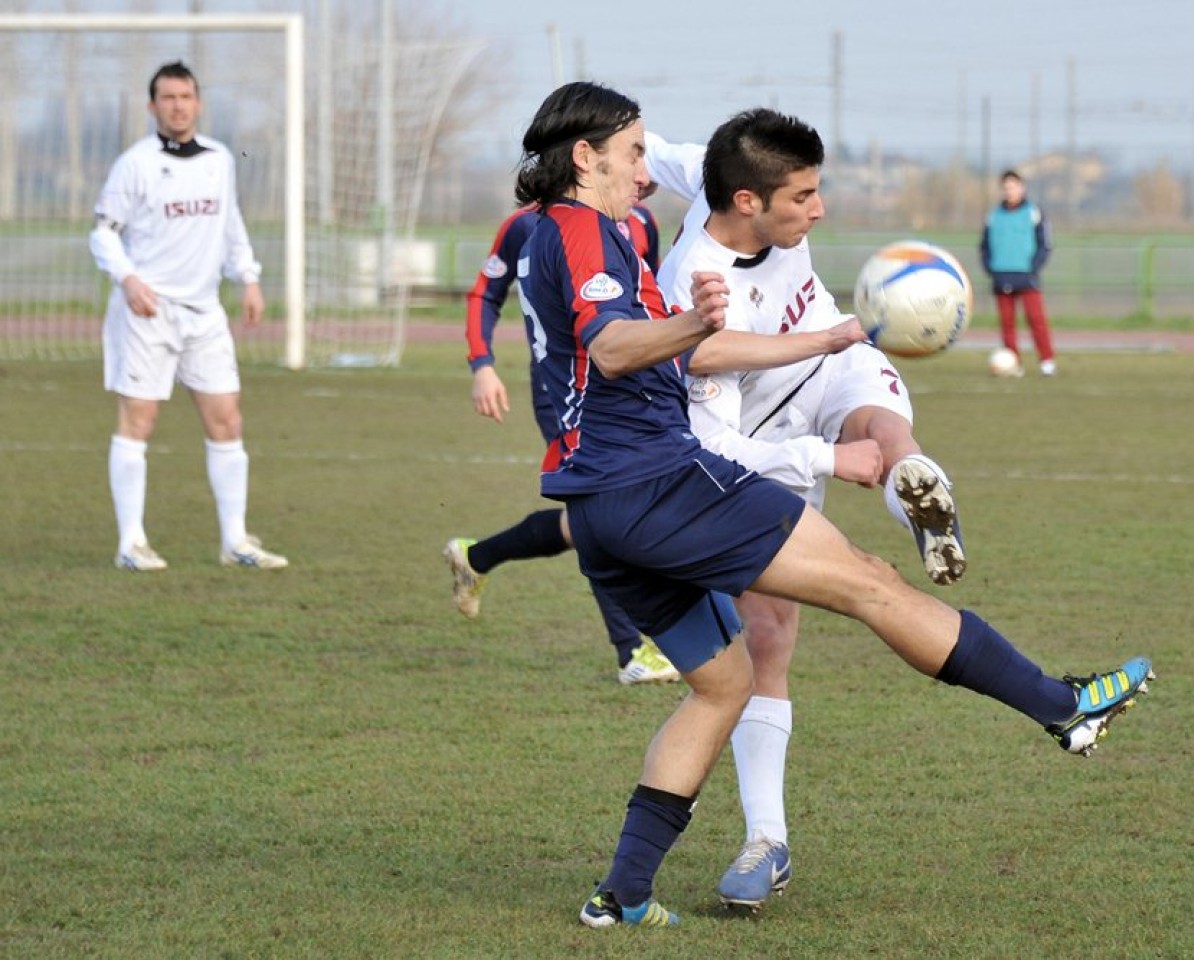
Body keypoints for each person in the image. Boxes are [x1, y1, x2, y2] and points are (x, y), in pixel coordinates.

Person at [497, 80, 1153, 930]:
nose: (642, 168)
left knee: (721, 685)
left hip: (598, 509)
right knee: (869, 583)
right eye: (628, 152)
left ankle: (620, 895)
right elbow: (616, 346)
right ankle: (1062, 707)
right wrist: (698, 328)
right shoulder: (584, 225)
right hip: (658, 483)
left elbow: (641, 317)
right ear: (584, 159)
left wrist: (776, 337)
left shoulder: (579, 227)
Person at [644, 110, 970, 908]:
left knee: (883, 421)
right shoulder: (699, 281)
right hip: (757, 431)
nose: (818, 211)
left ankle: (921, 492)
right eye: (805, 197)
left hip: (831, 354)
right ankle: (767, 839)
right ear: (749, 203)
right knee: (768, 637)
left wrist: (622, 140)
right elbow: (714, 443)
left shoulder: (719, 172)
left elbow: (654, 148)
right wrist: (828, 460)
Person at [446, 189, 678, 685]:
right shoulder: (527, 226)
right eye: (632, 154)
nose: (644, 174)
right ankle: (634, 649)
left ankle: (478, 555)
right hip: (564, 388)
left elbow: (648, 300)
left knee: (611, 511)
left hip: (630, 386)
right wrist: (482, 366)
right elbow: (484, 293)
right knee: (601, 509)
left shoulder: (642, 221)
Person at [89, 61, 287, 572]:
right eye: (167, 97)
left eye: (186, 96)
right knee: (140, 420)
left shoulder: (220, 159)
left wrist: (249, 278)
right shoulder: (134, 164)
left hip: (204, 313)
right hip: (147, 312)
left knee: (226, 419)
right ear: (152, 106)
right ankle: (131, 543)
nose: (177, 105)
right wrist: (128, 279)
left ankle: (236, 542)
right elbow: (104, 232)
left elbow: (230, 223)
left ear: (198, 103)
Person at [980, 169, 1057, 376]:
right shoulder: (994, 216)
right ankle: (1014, 362)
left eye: (1013, 186)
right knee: (1007, 323)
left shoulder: (1033, 212)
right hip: (1001, 275)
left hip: (1026, 275)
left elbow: (1045, 244)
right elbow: (984, 246)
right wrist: (990, 268)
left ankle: (1047, 360)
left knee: (1036, 319)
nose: (1010, 191)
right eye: (1006, 187)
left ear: (1022, 188)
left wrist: (1033, 266)